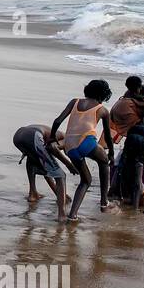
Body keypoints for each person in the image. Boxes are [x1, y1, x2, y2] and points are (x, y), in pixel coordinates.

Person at [50, 79, 115, 221]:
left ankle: (72, 215)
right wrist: (111, 152)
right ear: (104, 94)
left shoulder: (74, 102)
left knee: (85, 180)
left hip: (70, 147)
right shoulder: (102, 110)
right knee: (104, 163)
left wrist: (52, 137)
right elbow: (108, 136)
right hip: (86, 142)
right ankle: (104, 202)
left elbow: (57, 121)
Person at [11, 123, 76, 221]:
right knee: (61, 175)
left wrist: (59, 194)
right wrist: (69, 165)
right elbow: (52, 148)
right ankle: (62, 215)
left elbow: (47, 169)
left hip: (18, 136)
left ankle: (33, 193)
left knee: (33, 161)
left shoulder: (53, 136)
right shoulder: (65, 138)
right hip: (33, 136)